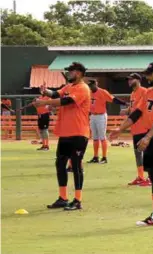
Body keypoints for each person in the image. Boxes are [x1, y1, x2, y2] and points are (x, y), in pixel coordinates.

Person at [110, 62, 153, 228]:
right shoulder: (148, 92)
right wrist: (120, 129)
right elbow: (137, 113)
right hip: (151, 136)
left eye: (150, 74)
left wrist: (147, 137)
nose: (147, 77)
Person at [34, 62, 91, 211]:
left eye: (70, 72)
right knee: (60, 164)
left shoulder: (82, 88)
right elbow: (57, 94)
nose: (68, 74)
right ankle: (63, 198)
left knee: (76, 165)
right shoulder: (69, 87)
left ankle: (77, 200)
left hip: (78, 133)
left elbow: (67, 101)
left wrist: (45, 102)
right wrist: (46, 91)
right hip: (65, 132)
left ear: (78, 73)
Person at [86, 80, 127, 164]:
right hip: (93, 116)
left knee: (102, 137)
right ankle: (95, 157)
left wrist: (125, 103)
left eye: (91, 85)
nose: (90, 87)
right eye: (89, 86)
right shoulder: (89, 92)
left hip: (101, 116)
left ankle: (104, 158)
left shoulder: (102, 92)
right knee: (95, 137)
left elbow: (113, 99)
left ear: (96, 84)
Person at [121, 73, 151, 186]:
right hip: (135, 128)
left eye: (131, 79)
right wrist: (127, 110)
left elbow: (141, 109)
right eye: (128, 79)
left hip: (143, 127)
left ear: (138, 80)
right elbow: (133, 108)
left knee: (147, 154)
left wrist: (130, 111)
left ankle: (151, 177)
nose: (129, 81)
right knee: (138, 153)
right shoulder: (132, 93)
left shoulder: (144, 91)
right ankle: (140, 177)